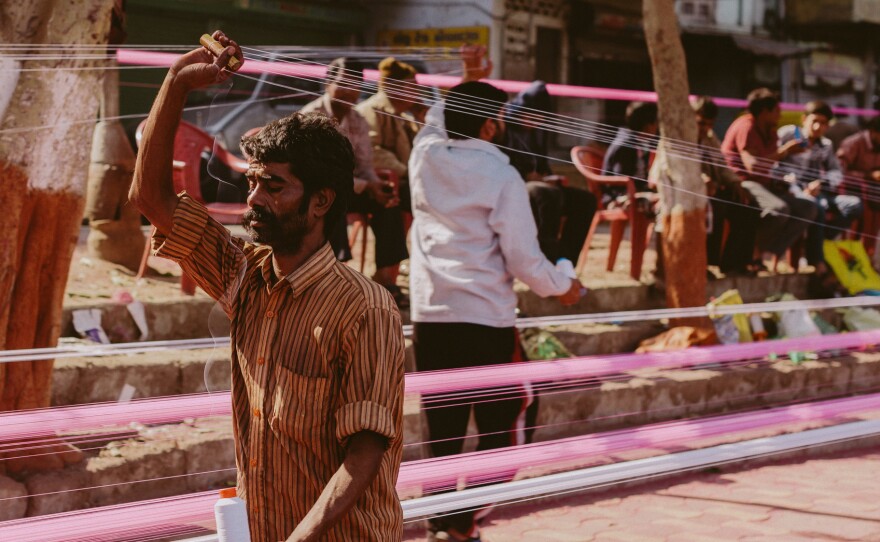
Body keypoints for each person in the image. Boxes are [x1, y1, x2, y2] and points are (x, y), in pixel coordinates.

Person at [129, 32, 405, 542]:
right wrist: (174, 85)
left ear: (321, 202)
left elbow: (364, 453)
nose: (254, 198)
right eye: (253, 181)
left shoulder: (365, 308)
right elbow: (150, 197)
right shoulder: (246, 276)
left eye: (273, 186)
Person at [409, 79, 583, 542]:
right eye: (501, 119)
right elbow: (524, 259)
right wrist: (564, 287)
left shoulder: (422, 156)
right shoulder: (503, 176)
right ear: (489, 127)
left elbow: (432, 121)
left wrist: (467, 78)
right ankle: (463, 523)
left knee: (442, 431)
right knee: (509, 423)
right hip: (486, 320)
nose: (504, 126)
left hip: (431, 318)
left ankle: (443, 527)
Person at [301, 58, 410, 306]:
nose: (349, 91)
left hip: (350, 185)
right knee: (332, 196)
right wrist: (365, 185)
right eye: (343, 84)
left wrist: (375, 187)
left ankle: (385, 277)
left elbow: (365, 164)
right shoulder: (311, 116)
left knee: (390, 201)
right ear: (329, 84)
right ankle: (335, 275)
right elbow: (317, 170)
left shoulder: (358, 120)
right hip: (316, 188)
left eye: (354, 85)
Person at [721, 87, 818, 270]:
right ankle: (753, 254)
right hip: (742, 182)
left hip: (765, 184)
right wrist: (785, 151)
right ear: (765, 112)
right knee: (778, 209)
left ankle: (768, 253)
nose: (779, 115)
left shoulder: (770, 131)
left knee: (808, 208)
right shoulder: (746, 126)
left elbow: (769, 166)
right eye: (777, 111)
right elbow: (753, 167)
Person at [503, 80, 597, 263]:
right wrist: (526, 176)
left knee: (585, 200)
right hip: (512, 183)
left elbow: (541, 163)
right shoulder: (504, 126)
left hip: (538, 184)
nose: (535, 122)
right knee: (545, 194)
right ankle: (545, 260)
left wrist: (548, 177)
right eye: (532, 117)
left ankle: (566, 263)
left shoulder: (537, 131)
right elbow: (499, 162)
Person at [777, 100, 863, 270]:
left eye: (823, 123)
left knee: (855, 205)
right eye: (814, 121)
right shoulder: (788, 134)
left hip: (819, 193)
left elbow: (837, 172)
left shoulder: (826, 145)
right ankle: (816, 262)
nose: (817, 127)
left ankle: (820, 238)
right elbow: (774, 166)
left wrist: (821, 183)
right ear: (804, 119)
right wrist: (794, 186)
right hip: (792, 192)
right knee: (818, 208)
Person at [691, 96, 760, 276]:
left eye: (709, 124)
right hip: (689, 191)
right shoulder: (679, 135)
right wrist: (702, 180)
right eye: (701, 123)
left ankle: (734, 263)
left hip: (713, 190)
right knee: (716, 208)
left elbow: (722, 168)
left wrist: (735, 182)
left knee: (748, 205)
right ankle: (705, 263)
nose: (705, 128)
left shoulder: (709, 138)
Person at [355, 56, 421, 213]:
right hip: (377, 180)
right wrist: (407, 171)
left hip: (404, 178)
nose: (418, 92)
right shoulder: (371, 110)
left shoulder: (403, 117)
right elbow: (373, 152)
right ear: (396, 87)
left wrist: (422, 118)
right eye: (413, 86)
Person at [602, 101, 659, 214]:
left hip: (636, 191)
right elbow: (621, 178)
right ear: (647, 125)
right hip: (618, 196)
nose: (657, 127)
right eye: (656, 122)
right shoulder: (625, 145)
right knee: (661, 203)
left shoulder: (641, 144)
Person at [837, 115, 880, 212]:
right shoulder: (853, 143)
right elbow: (839, 172)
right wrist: (869, 175)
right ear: (873, 131)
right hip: (853, 190)